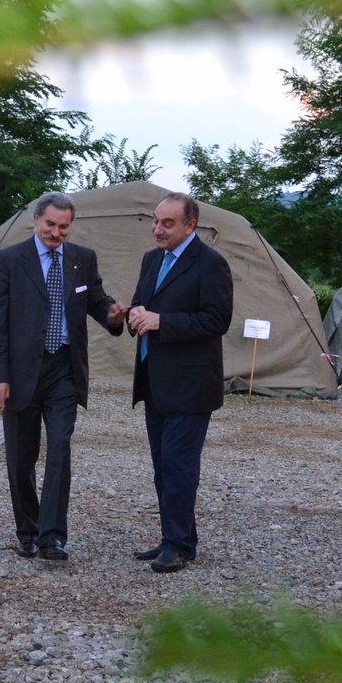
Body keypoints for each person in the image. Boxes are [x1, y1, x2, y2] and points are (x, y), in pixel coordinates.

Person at [0, 192, 126, 561]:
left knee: (60, 446)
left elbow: (97, 300)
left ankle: (52, 537)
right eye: (50, 224)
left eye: (63, 227)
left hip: (64, 369)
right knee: (21, 457)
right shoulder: (9, 261)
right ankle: (27, 531)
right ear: (36, 220)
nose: (56, 232)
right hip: (20, 372)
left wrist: (112, 315)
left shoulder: (82, 259)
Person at [127, 193, 234, 573]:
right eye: (156, 221)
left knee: (178, 465)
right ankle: (176, 539)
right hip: (154, 381)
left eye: (167, 223)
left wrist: (162, 322)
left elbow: (216, 320)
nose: (158, 229)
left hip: (191, 386)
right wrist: (135, 314)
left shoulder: (210, 264)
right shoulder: (151, 259)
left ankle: (177, 544)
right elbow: (142, 305)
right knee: (162, 466)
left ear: (191, 225)